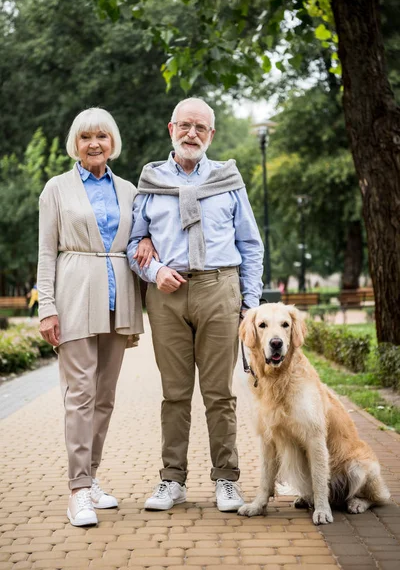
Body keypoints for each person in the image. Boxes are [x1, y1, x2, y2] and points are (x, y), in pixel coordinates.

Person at [127, 97, 264, 512]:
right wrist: (154, 273)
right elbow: (134, 243)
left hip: (220, 288)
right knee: (174, 393)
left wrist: (251, 304)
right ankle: (173, 480)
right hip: (167, 295)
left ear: (211, 135)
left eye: (200, 128)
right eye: (184, 126)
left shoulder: (228, 180)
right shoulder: (151, 181)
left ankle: (226, 479)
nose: (191, 134)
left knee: (220, 392)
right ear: (171, 129)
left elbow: (250, 244)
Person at [38, 108, 154, 527]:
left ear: (112, 142)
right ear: (75, 142)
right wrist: (46, 307)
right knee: (80, 394)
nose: (93, 143)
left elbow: (140, 240)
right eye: (85, 136)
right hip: (72, 295)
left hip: (117, 298)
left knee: (104, 396)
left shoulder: (129, 190)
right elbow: (46, 252)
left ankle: (91, 478)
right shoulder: (56, 189)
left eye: (101, 136)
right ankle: (77, 491)